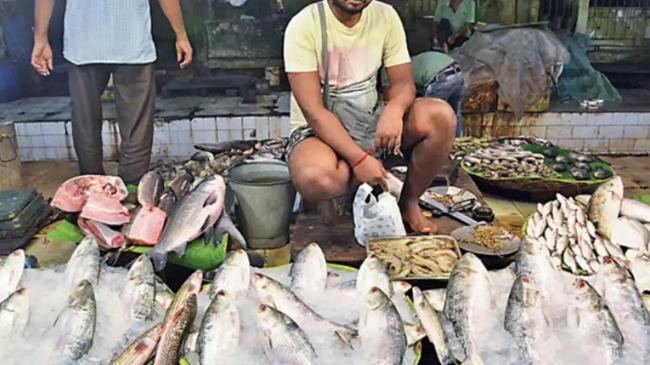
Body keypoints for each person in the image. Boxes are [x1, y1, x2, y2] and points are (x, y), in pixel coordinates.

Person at [284, 0, 457, 233]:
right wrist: (359, 160)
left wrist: (394, 109)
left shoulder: (385, 16)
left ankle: (408, 202)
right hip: (316, 129)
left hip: (368, 119)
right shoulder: (304, 25)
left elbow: (404, 82)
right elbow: (314, 112)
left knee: (441, 117)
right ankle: (352, 184)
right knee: (316, 177)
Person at [31, 0, 193, 185]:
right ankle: (132, 192)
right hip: (132, 41)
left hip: (84, 43)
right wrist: (180, 35)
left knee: (85, 121)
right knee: (136, 127)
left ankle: (93, 189)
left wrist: (40, 38)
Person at [381, 27, 467, 137]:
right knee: (455, 111)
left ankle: (437, 142)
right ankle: (458, 140)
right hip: (457, 71)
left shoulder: (387, 69)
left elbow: (388, 99)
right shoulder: (412, 60)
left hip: (440, 77)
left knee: (429, 113)